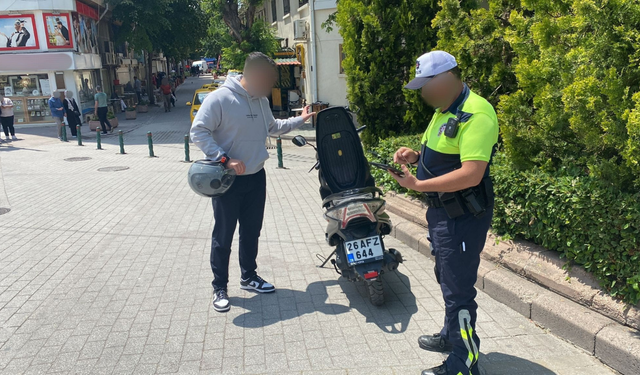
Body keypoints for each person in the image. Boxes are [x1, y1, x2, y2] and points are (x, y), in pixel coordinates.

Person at [389, 51, 498, 375]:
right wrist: (415, 154)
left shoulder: (476, 113)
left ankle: (464, 362)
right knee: (446, 279)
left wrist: (417, 185)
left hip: (462, 218)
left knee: (458, 290)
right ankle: (452, 336)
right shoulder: (445, 108)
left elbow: (472, 173)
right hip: (443, 216)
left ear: (447, 77)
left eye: (427, 84)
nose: (423, 93)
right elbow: (443, 151)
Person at [190, 52, 316, 313]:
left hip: (256, 177)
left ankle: (249, 277)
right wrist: (224, 159)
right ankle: (220, 287)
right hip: (227, 180)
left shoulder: (261, 100)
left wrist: (300, 120)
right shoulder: (220, 99)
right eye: (268, 80)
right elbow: (198, 131)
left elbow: (273, 126)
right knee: (223, 236)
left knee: (251, 232)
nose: (270, 86)